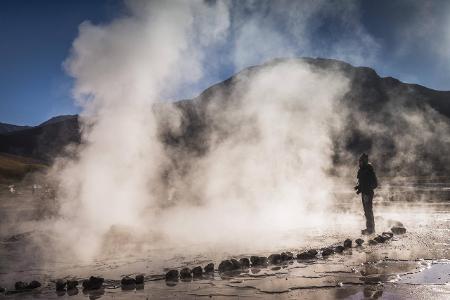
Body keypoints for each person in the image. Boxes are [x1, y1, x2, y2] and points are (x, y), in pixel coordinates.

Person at [354, 153, 378, 234]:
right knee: (366, 211)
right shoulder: (362, 170)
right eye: (359, 161)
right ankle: (370, 228)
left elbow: (374, 184)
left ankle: (370, 229)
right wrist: (359, 188)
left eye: (360, 161)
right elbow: (362, 183)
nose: (359, 163)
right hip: (364, 193)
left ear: (364, 162)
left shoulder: (369, 171)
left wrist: (367, 191)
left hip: (368, 193)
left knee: (368, 211)